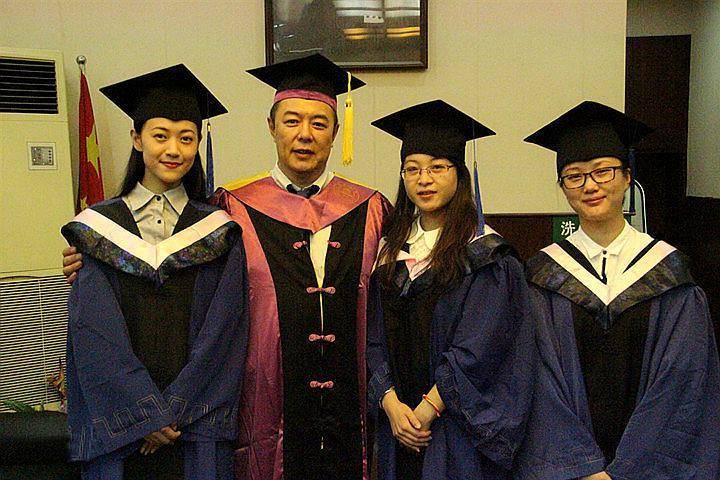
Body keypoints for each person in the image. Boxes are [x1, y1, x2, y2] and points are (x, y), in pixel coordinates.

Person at [61, 65, 249, 480]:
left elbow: (225, 332)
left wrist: (172, 410)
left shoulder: (218, 231)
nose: (173, 149)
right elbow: (94, 332)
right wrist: (143, 414)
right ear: (137, 138)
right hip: (121, 430)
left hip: (193, 425)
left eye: (186, 138)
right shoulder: (97, 229)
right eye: (160, 136)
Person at [514, 101, 720, 479]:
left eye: (603, 171)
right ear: (563, 188)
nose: (590, 185)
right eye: (574, 176)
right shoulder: (542, 277)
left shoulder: (670, 275)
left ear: (627, 178)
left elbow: (682, 380)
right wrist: (584, 467)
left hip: (648, 468)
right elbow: (539, 381)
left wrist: (625, 469)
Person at [210, 53, 391, 480]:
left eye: (319, 123)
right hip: (266, 400)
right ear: (271, 127)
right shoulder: (231, 208)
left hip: (351, 406)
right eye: (292, 121)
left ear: (336, 133)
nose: (305, 134)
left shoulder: (373, 209)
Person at [367, 100, 536, 480]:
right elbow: (372, 337)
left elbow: (480, 347)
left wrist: (426, 410)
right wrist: (390, 403)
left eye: (437, 168)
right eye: (412, 169)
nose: (423, 179)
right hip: (397, 425)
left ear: (459, 173)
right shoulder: (389, 250)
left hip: (452, 430)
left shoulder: (485, 255)